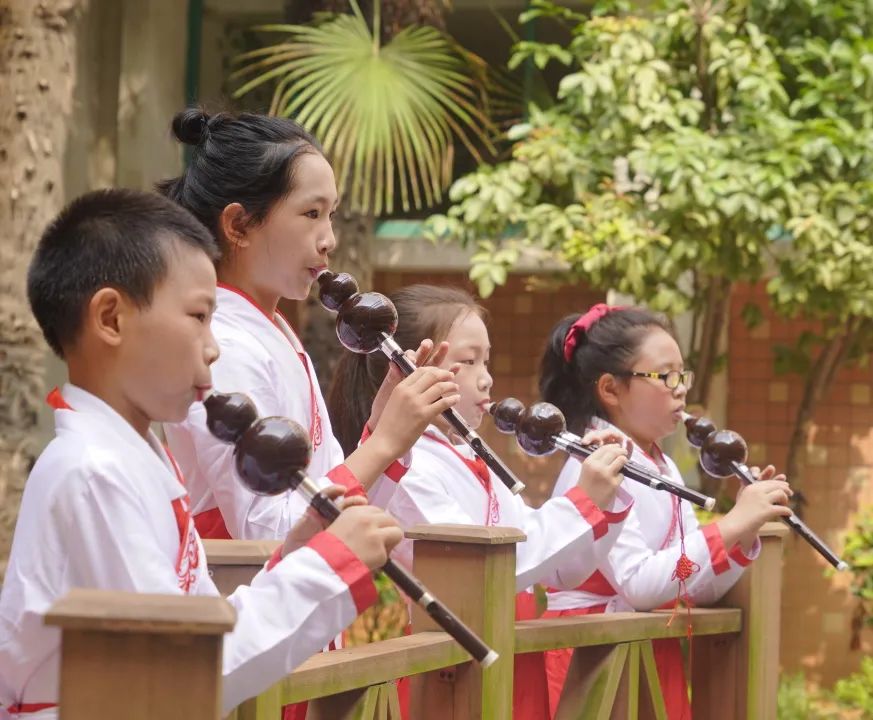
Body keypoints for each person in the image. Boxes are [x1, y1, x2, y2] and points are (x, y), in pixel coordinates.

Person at [0, 189, 406, 719]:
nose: (213, 347)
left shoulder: (126, 458)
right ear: (111, 319)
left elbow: (195, 627)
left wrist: (297, 555)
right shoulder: (93, 472)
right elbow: (184, 666)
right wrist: (329, 567)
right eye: (198, 317)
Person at [329, 284, 636, 719]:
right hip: (452, 668)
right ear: (410, 368)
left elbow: (562, 569)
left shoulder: (470, 456)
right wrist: (582, 500)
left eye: (485, 361)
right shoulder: (410, 465)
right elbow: (482, 566)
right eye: (468, 361)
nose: (486, 378)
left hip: (507, 652)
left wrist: (605, 498)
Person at [158, 109, 457, 542]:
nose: (329, 239)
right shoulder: (224, 346)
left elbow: (337, 503)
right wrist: (383, 444)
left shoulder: (271, 332)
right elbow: (266, 532)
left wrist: (384, 429)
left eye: (330, 214)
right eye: (312, 213)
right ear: (239, 225)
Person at [539, 304, 793, 718]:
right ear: (611, 389)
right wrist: (730, 525)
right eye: (666, 376)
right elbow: (639, 585)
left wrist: (744, 531)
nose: (681, 390)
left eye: (682, 376)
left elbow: (687, 582)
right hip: (590, 653)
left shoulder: (663, 465)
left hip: (640, 645)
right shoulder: (594, 465)